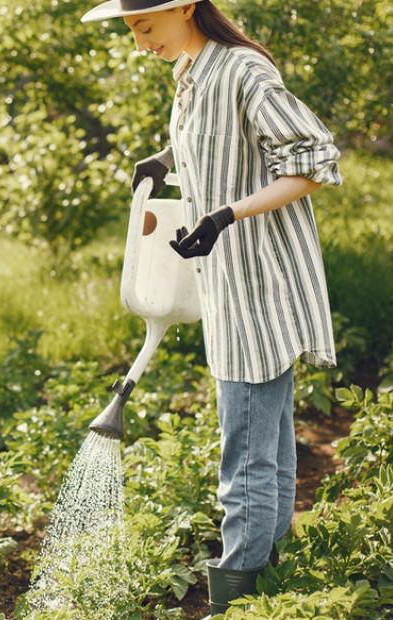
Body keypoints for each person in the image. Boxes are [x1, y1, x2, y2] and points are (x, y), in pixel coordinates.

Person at [80, 1, 343, 618]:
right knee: (269, 448)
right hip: (228, 286)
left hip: (259, 285)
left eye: (145, 27)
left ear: (185, 9)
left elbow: (313, 160)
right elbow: (221, 145)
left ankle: (235, 601)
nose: (140, 43)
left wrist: (227, 214)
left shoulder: (245, 71)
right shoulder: (191, 73)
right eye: (133, 31)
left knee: (245, 456)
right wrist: (166, 159)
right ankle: (269, 589)